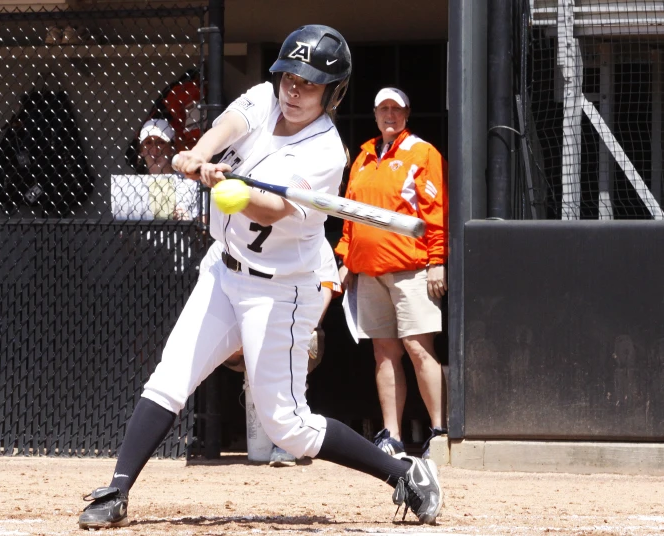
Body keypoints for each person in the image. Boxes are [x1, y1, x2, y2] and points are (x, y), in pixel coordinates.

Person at [77, 26, 442, 530]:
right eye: (289, 77)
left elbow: (271, 209)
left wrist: (233, 188)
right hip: (222, 269)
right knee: (172, 374)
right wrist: (198, 156)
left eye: (309, 84)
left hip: (280, 290)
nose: (293, 90)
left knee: (288, 427)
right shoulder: (264, 99)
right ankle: (117, 488)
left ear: (333, 93)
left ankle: (403, 472)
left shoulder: (326, 153)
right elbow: (227, 125)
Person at [335, 87, 448, 460]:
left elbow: (435, 211)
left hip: (412, 269)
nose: (389, 114)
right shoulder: (364, 156)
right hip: (367, 271)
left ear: (407, 113)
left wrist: (437, 261)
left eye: (396, 109)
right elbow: (351, 214)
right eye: (383, 108)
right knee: (384, 353)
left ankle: (439, 432)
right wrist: (346, 258)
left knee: (418, 348)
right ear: (374, 113)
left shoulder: (422, 152)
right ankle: (392, 436)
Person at [219, 239, 342, 467]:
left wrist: (306, 327)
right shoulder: (245, 236)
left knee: (297, 348)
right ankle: (260, 438)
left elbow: (326, 290)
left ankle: (288, 441)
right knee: (229, 345)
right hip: (253, 322)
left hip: (298, 323)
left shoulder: (314, 239)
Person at [138, 118, 199, 220]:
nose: (154, 149)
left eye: (161, 142)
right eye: (148, 143)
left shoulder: (190, 182)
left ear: (171, 148)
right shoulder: (136, 185)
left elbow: (205, 229)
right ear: (142, 150)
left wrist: (188, 222)